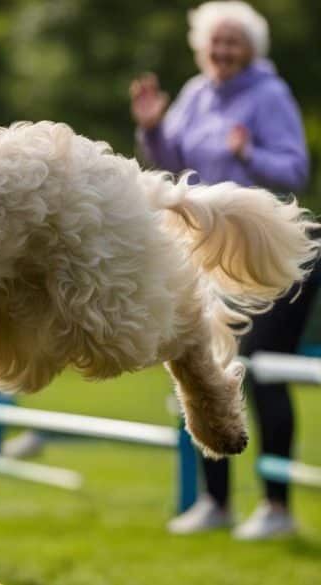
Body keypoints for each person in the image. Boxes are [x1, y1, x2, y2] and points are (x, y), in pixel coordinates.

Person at [130, 1, 317, 540]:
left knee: (260, 369)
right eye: (216, 42)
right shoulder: (195, 93)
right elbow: (171, 168)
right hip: (207, 256)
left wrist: (250, 152)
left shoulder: (269, 95)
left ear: (251, 48)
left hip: (269, 255)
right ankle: (216, 502)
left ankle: (276, 509)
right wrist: (152, 129)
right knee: (201, 366)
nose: (223, 51)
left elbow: (296, 170)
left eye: (233, 42)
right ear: (202, 46)